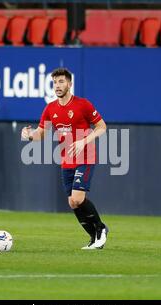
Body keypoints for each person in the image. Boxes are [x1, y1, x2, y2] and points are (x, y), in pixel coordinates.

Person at [21, 67, 108, 250]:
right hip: (66, 160)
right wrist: (28, 135)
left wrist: (84, 141)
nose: (58, 86)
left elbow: (101, 127)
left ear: (70, 84)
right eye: (55, 82)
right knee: (72, 202)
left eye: (61, 82)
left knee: (78, 197)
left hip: (85, 156)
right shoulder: (50, 108)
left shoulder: (83, 104)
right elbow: (41, 134)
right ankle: (93, 239)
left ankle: (101, 229)